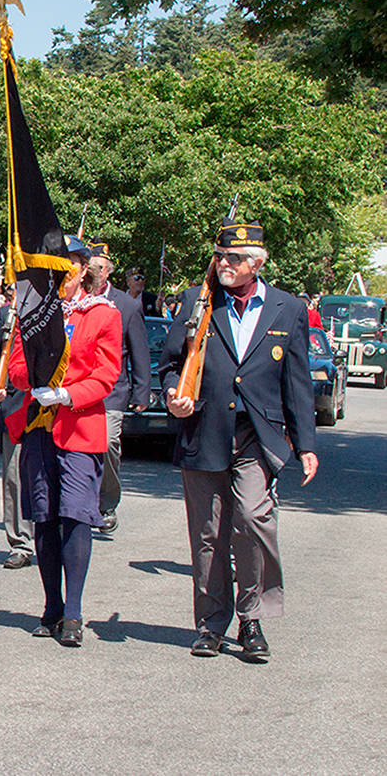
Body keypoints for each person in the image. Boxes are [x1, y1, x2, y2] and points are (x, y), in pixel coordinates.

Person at [161, 221, 317, 661]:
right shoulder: (198, 301)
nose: (223, 265)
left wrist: (305, 444)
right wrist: (175, 393)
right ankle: (211, 624)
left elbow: (298, 384)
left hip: (255, 435)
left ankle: (251, 619)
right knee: (208, 533)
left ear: (257, 263)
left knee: (251, 521)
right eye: (220, 257)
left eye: (233, 259)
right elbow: (171, 363)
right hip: (205, 431)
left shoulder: (287, 309)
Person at [6, 235, 121, 647]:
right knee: (44, 515)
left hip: (79, 425)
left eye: (71, 265)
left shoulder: (102, 314)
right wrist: (35, 380)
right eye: (56, 265)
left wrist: (68, 393)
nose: (64, 273)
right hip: (39, 423)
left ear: (83, 270)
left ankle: (73, 611)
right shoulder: (33, 314)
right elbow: (16, 366)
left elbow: (107, 374)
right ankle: (51, 604)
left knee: (74, 515)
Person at [88, 242, 151, 535]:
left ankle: (107, 503)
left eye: (98, 267)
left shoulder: (126, 304)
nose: (93, 272)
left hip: (113, 390)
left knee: (109, 443)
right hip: (79, 388)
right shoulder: (78, 298)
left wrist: (141, 391)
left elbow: (139, 350)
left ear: (109, 271)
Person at [0, 286, 33, 570]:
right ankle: (20, 542)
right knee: (14, 477)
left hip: (54, 403)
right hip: (15, 403)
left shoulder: (59, 307)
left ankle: (57, 537)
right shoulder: (7, 313)